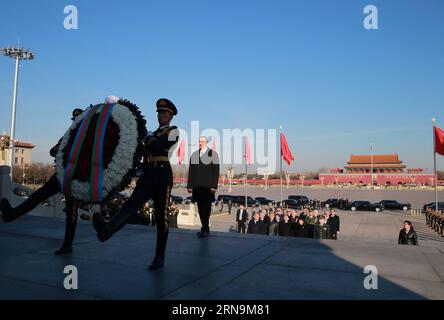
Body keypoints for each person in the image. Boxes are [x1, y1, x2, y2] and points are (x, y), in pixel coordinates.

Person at [92, 98, 179, 271]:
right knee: (130, 206)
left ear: (170, 116)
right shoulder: (153, 133)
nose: (161, 116)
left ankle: (159, 257)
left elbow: (157, 147)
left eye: (164, 113)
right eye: (159, 113)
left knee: (161, 218)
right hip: (147, 175)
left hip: (162, 176)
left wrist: (145, 137)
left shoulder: (173, 131)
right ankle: (107, 231)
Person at [0, 108, 84, 255]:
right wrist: (60, 148)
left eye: (77, 118)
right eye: (74, 119)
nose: (75, 121)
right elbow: (53, 150)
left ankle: (67, 244)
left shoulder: (87, 138)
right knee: (38, 196)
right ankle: (12, 214)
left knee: (72, 210)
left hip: (77, 177)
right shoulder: (68, 134)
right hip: (62, 173)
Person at [187, 136, 220, 238]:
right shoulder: (194, 155)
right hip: (197, 187)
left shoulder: (213, 154)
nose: (200, 143)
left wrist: (214, 186)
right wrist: (189, 185)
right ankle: (204, 228)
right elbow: (191, 171)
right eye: (199, 141)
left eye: (202, 141)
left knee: (206, 208)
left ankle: (205, 229)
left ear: (206, 142)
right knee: (201, 209)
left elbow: (216, 171)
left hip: (208, 187)